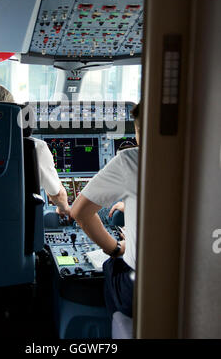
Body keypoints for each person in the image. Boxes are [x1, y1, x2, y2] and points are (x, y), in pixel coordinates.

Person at [70, 103, 140, 319]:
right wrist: (131, 204)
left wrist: (117, 248)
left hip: (141, 288)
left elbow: (79, 213)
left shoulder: (131, 160)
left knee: (111, 265)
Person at [0, 84, 70, 216]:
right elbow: (57, 194)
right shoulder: (35, 148)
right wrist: (64, 209)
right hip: (23, 231)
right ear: (14, 113)